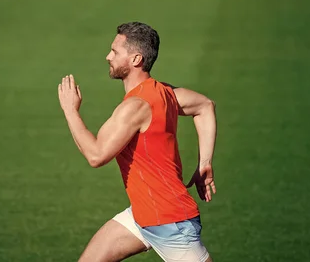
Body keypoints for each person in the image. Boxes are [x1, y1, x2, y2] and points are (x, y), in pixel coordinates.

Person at [58, 22, 217, 262]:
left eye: (115, 52)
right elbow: (205, 106)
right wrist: (204, 162)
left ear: (136, 59)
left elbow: (96, 155)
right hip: (143, 214)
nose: (107, 56)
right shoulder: (164, 92)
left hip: (170, 221)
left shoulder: (135, 107)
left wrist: (71, 111)